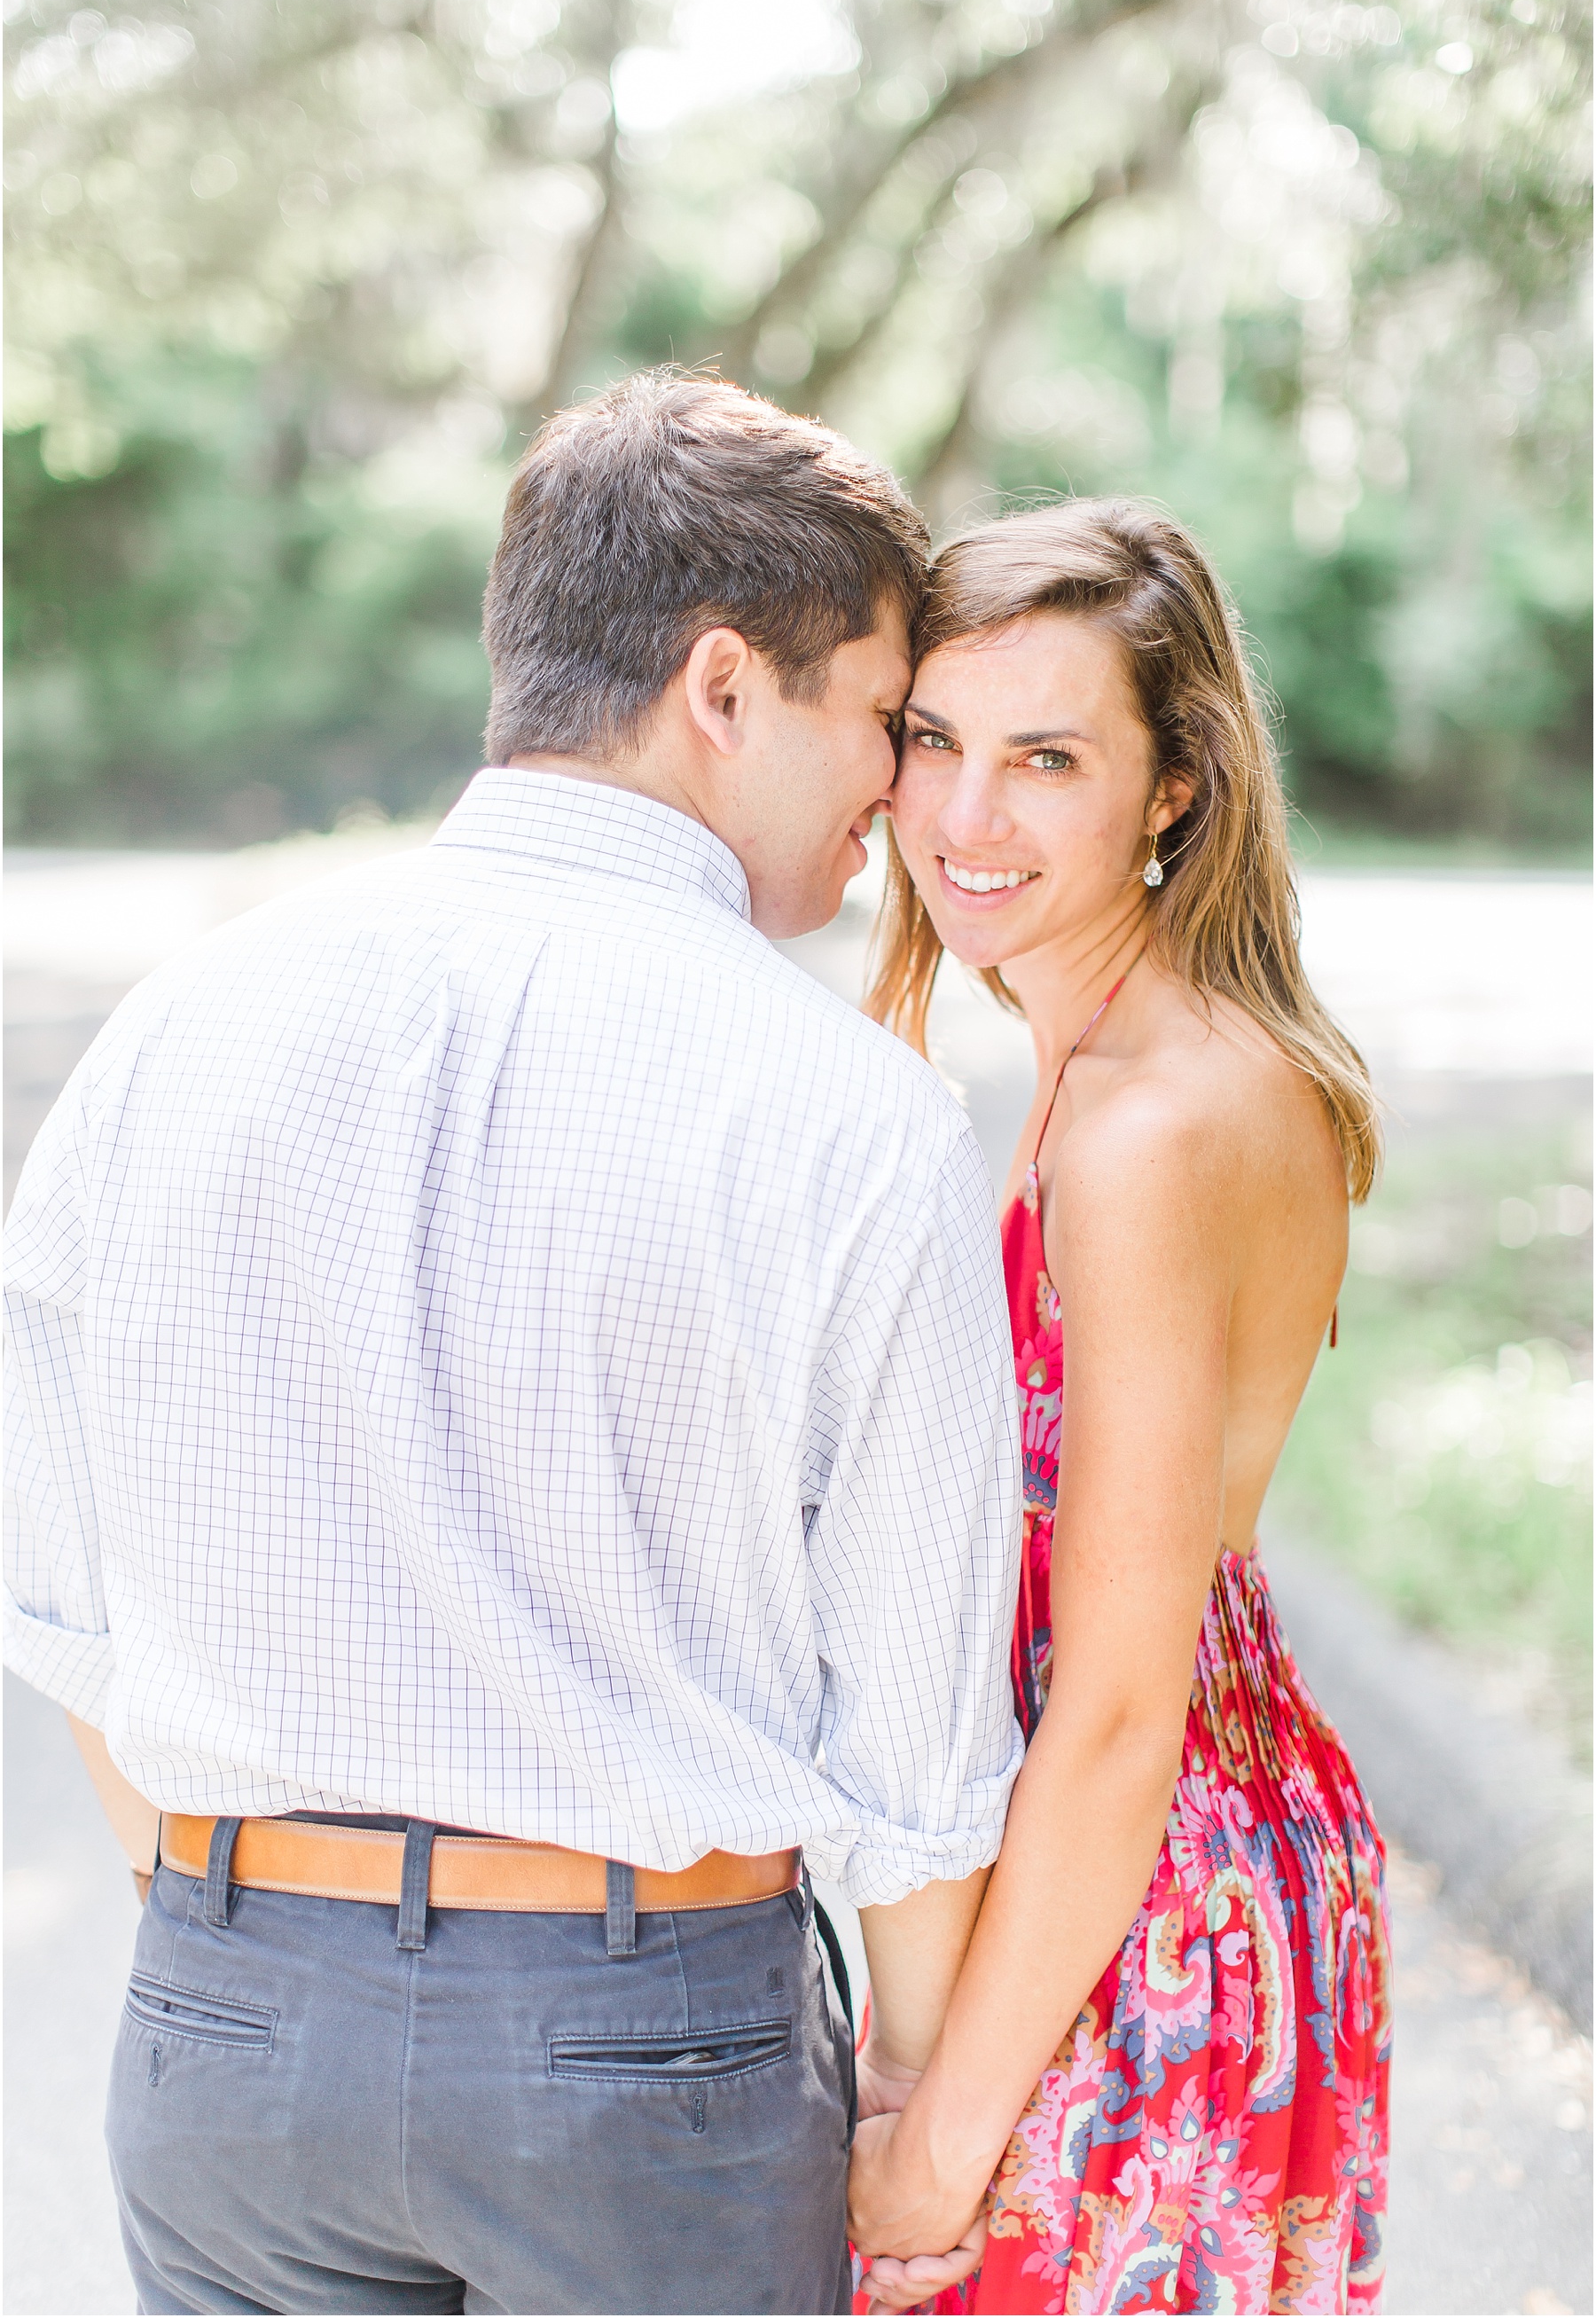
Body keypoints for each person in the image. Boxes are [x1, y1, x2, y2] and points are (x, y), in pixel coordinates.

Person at [4, 372, 1025, 2318]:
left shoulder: (178, 1024)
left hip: (232, 2025)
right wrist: (903, 2096)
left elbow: (53, 1584)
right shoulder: (851, 1113)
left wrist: (230, 1922)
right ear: (724, 688)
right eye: (882, 724)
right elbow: (909, 1738)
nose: (901, 801)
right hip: (642, 2053)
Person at [847, 501, 1391, 2315]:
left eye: (1046, 759)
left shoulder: (1150, 1128)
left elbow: (1118, 1705)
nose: (962, 816)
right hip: (1160, 1878)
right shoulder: (1132, 1056)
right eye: (935, 740)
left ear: (1175, 792)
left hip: (1133, 1917)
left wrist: (937, 2149)